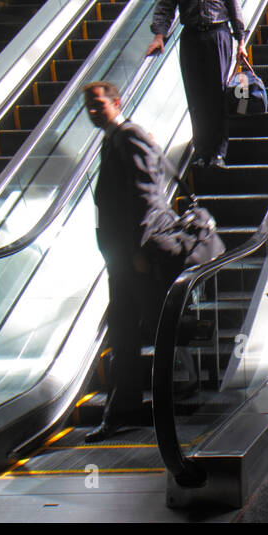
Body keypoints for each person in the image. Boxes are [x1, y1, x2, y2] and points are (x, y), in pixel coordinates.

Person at [82, 80, 179, 442]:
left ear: (116, 102)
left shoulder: (129, 135)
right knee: (124, 334)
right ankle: (123, 413)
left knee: (153, 330)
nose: (92, 111)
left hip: (137, 258)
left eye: (98, 104)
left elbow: (148, 195)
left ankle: (163, 408)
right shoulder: (112, 139)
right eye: (88, 106)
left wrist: (140, 251)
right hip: (122, 259)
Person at [148, 0, 247, 169]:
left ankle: (219, 152)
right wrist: (159, 35)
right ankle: (202, 151)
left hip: (218, 35)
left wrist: (241, 41)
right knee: (196, 95)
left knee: (217, 94)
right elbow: (165, 7)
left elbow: (234, 7)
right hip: (191, 37)